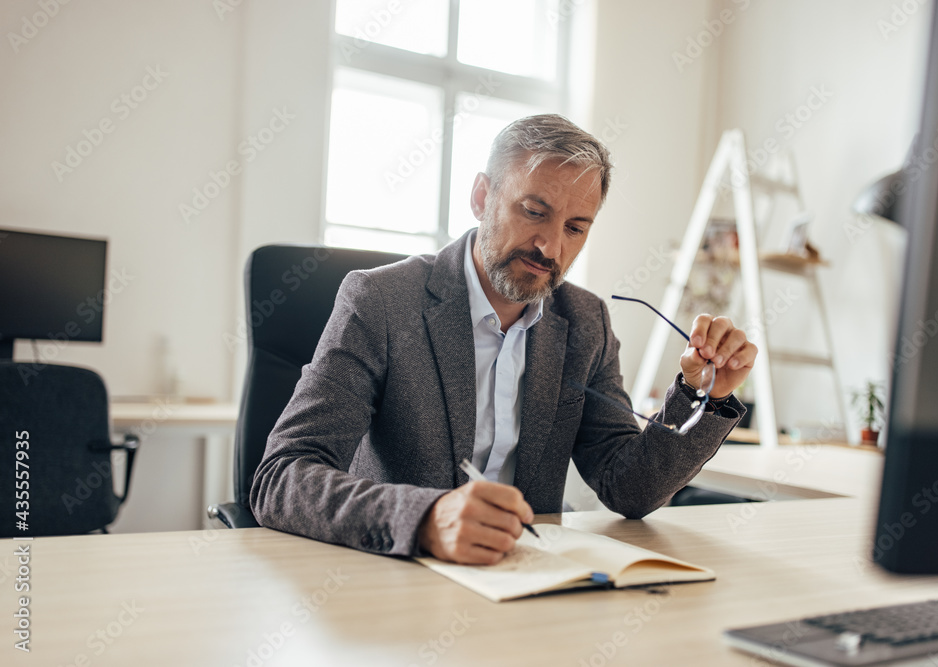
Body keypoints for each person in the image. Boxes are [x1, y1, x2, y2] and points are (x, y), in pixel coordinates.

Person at [251, 114, 757, 565]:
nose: (550, 246)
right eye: (534, 212)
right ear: (481, 197)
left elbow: (629, 489)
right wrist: (425, 518)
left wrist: (702, 396)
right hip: (396, 575)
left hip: (525, 582)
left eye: (576, 228)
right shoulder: (381, 301)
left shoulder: (586, 322)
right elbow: (282, 477)